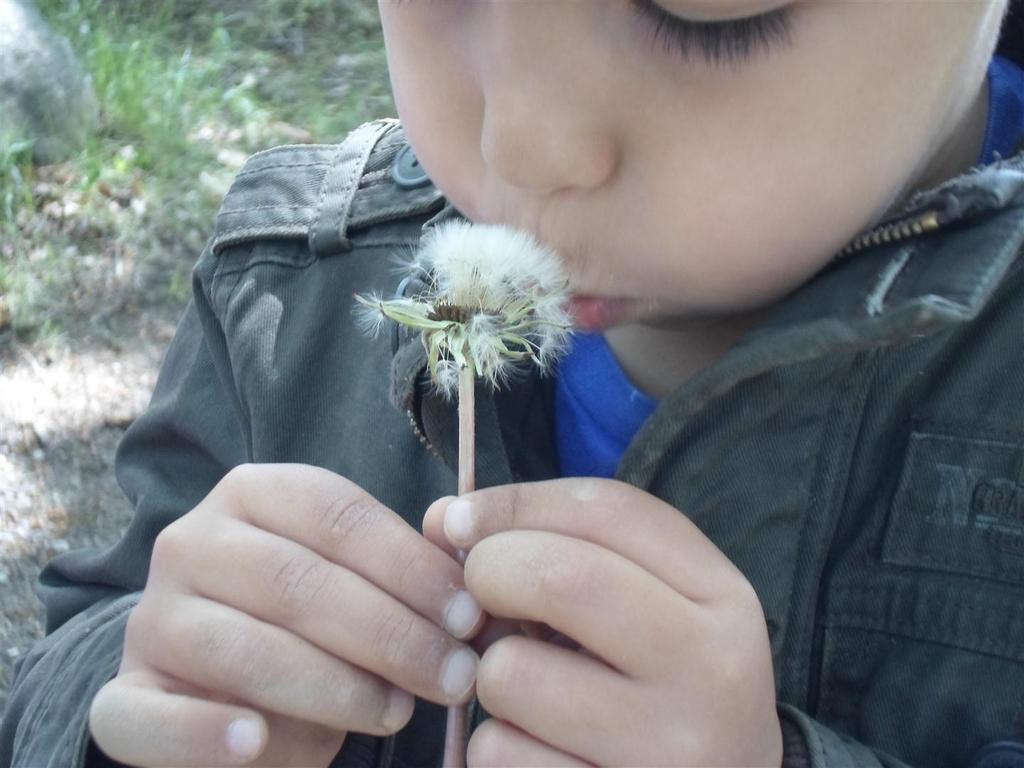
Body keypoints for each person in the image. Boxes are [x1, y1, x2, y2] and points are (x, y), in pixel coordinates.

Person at [4, 1, 1024, 766]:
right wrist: (140, 699)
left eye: (706, 12)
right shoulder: (286, 293)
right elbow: (67, 669)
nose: (519, 141)